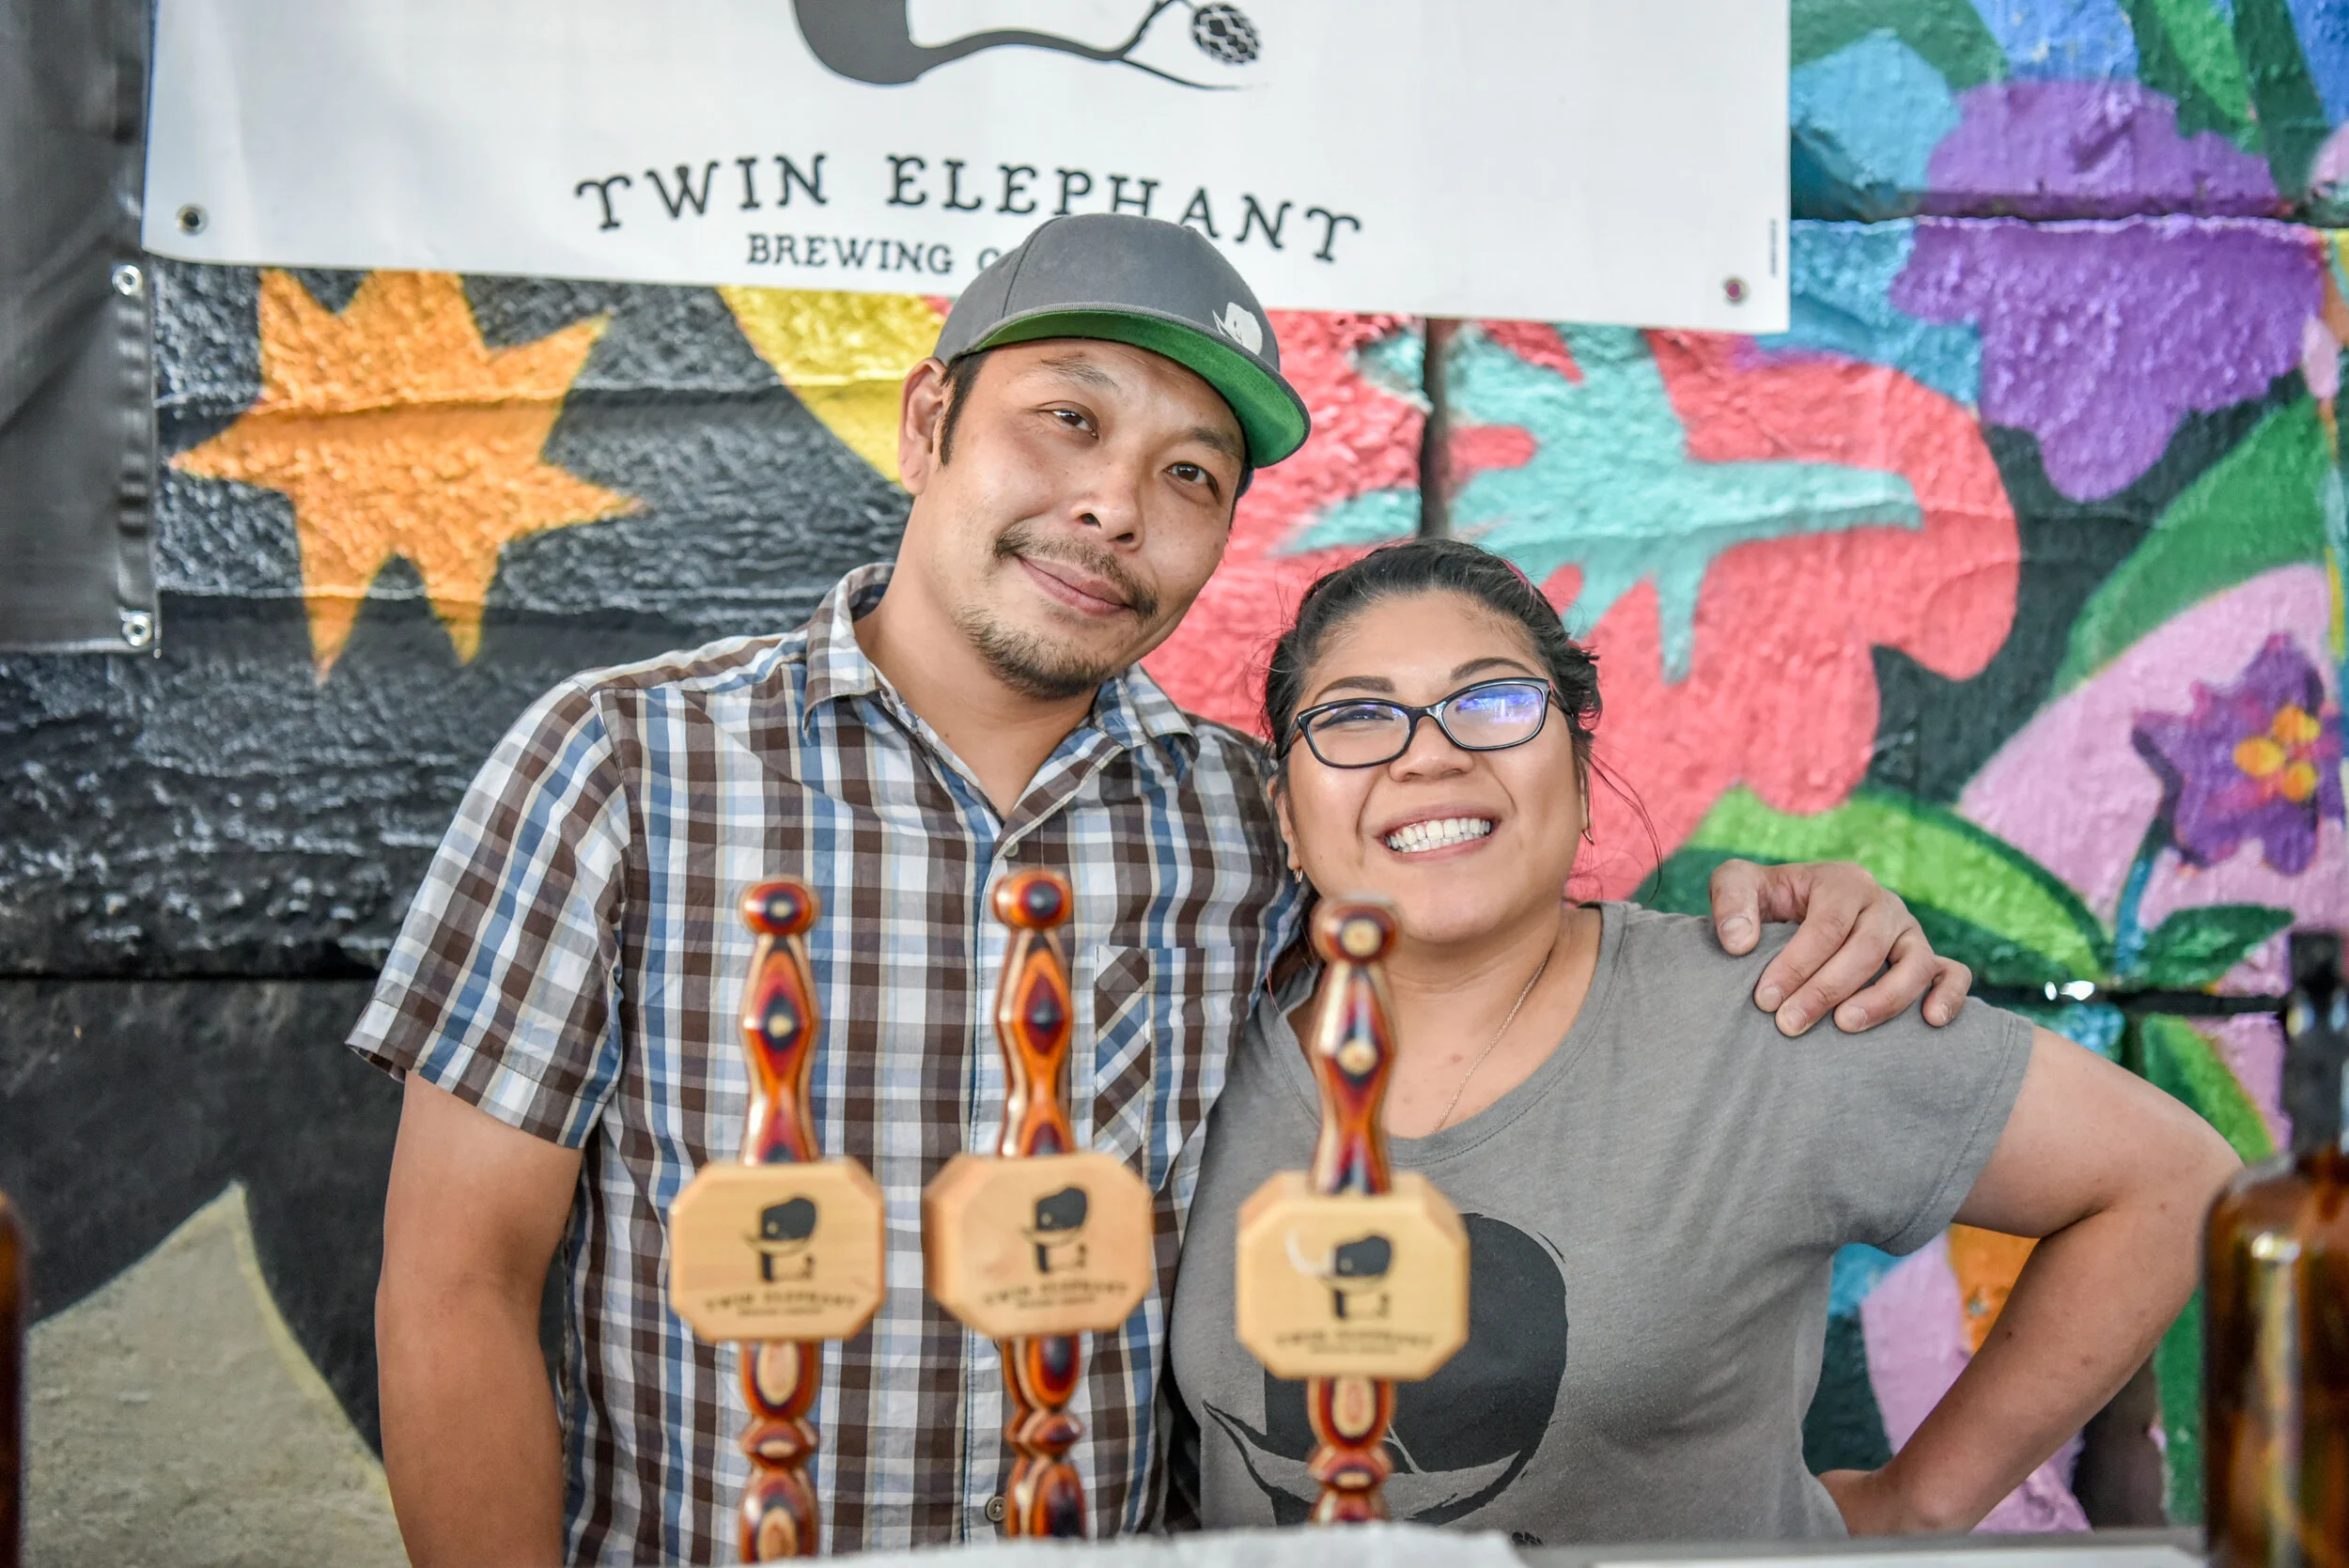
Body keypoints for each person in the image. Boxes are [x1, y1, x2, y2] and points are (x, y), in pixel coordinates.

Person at [358, 214, 1974, 1564]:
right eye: (1067, 419)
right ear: (926, 425)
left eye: (1192, 473)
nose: (1116, 505)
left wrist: (1811, 906)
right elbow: (458, 1280)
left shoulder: (1249, 824)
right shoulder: (627, 764)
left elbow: (1497, 956)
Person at [1166, 539, 2241, 1542]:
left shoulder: (1773, 1006)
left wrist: (1917, 1505)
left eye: (1492, 701)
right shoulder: (1199, 1048)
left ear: (1578, 773)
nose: (1427, 755)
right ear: (1288, 816)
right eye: (1356, 718)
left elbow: (2171, 1177)